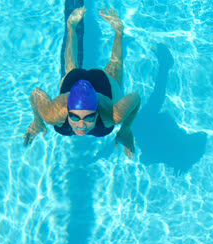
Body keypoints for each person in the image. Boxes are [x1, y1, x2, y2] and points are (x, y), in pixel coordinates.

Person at [23, 7, 141, 158]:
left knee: (115, 65)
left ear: (97, 112)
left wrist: (125, 130)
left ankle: (118, 31)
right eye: (74, 117)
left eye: (89, 117)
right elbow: (35, 93)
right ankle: (71, 27)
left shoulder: (113, 114)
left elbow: (136, 98)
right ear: (67, 111)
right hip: (75, 85)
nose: (81, 126)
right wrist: (38, 121)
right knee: (71, 70)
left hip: (102, 83)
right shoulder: (53, 113)